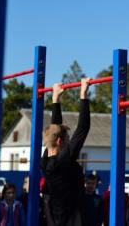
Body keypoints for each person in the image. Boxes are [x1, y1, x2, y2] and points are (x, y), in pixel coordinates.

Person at [40, 78, 91, 226]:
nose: (70, 142)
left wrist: (56, 98)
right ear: (60, 142)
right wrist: (83, 93)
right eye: (68, 139)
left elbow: (55, 129)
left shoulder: (45, 159)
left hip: (59, 216)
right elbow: (82, 128)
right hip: (72, 219)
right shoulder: (63, 160)